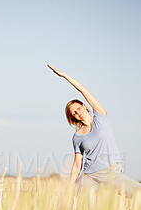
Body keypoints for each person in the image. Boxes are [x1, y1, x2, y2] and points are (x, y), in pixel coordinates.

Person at [47, 64, 141, 197]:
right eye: (73, 113)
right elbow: (77, 164)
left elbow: (84, 91)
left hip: (112, 174)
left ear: (84, 106)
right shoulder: (77, 136)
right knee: (73, 205)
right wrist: (68, 188)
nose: (77, 113)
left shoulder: (100, 117)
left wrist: (65, 76)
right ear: (73, 117)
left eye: (78, 108)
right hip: (90, 177)